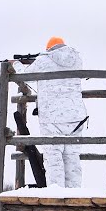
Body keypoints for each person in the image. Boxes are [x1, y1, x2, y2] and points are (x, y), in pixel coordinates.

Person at [12, 36, 88, 188]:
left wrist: (16, 64)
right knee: (72, 158)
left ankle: (57, 193)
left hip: (52, 117)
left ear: (49, 49)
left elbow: (26, 77)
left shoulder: (44, 60)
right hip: (76, 117)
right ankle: (74, 194)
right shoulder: (77, 59)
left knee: (54, 158)